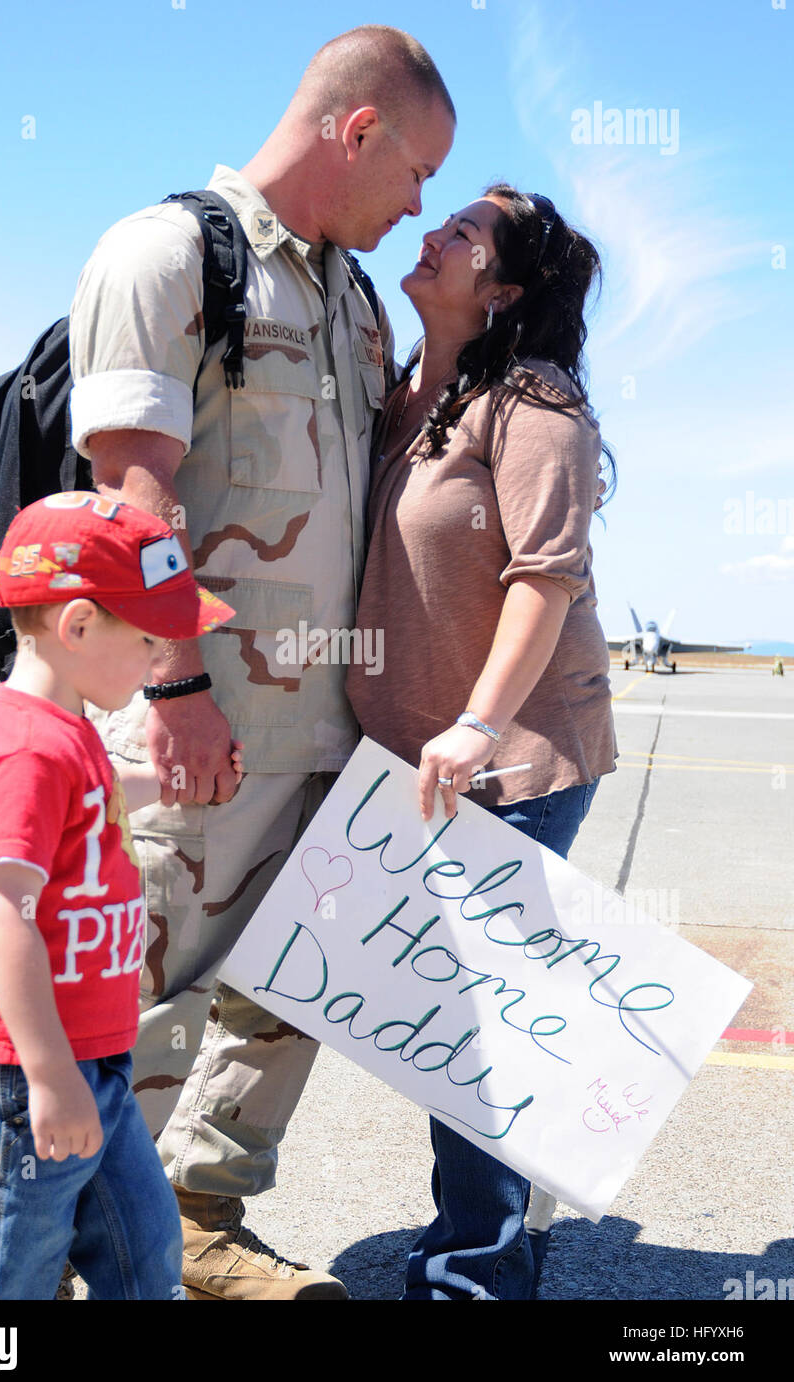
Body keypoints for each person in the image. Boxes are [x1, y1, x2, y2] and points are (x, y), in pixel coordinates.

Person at [67, 26, 455, 1299]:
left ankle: (202, 1217)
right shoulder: (172, 255)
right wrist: (176, 686)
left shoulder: (346, 297)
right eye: (414, 176)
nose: (419, 209)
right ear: (357, 131)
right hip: (200, 715)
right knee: (144, 988)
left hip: (328, 725)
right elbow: (134, 495)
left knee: (294, 989)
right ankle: (85, 1242)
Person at [346, 184, 618, 1300]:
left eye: (466, 232)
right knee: (442, 1020)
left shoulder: (531, 402)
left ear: (501, 287)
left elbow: (544, 578)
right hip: (411, 770)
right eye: (441, 218)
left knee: (475, 1033)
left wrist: (474, 721)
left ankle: (473, 1274)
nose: (435, 233)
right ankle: (485, 1234)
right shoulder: (404, 393)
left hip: (508, 765)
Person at [0, 492, 240, 1299]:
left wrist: (173, 787)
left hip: (90, 1060)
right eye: (149, 636)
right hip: (19, 1079)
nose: (160, 652)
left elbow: (100, 789)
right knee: (10, 1277)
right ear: (80, 626)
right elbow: (4, 914)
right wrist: (51, 1074)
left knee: (144, 1251)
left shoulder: (67, 735)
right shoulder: (24, 750)